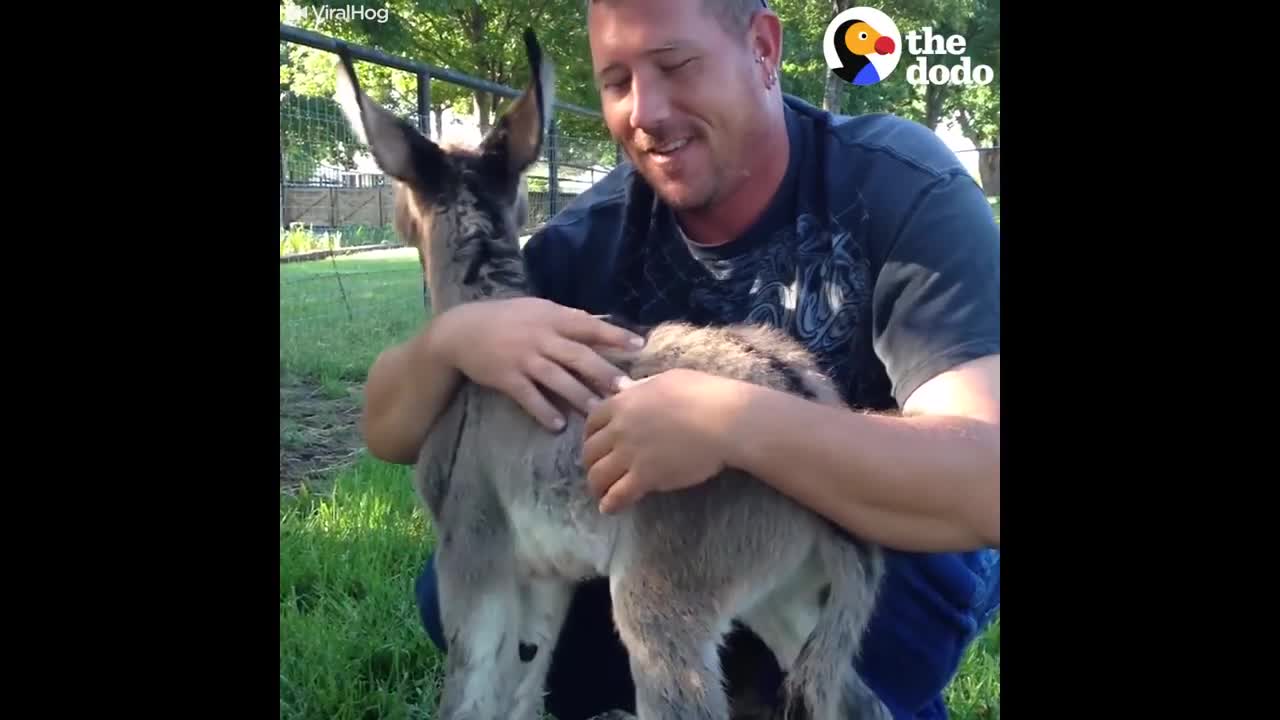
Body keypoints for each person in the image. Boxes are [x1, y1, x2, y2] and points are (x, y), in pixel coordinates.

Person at [360, 0, 1000, 717]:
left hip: (889, 538)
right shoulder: (590, 238)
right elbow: (389, 430)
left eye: (675, 65)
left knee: (859, 626)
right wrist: (454, 339)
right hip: (697, 547)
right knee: (463, 578)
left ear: (761, 48)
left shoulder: (902, 188)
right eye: (616, 81)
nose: (647, 110)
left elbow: (988, 480)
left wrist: (734, 425)